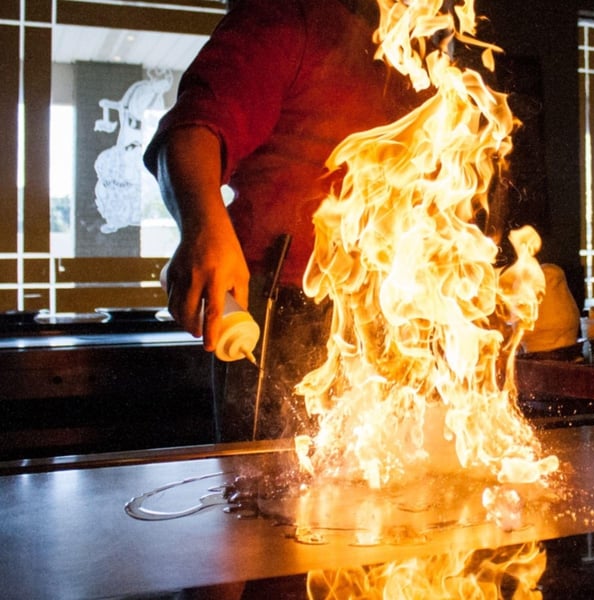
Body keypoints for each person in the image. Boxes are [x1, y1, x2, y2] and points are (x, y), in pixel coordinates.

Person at [145, 0, 421, 442]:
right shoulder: (285, 17)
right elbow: (192, 130)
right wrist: (202, 225)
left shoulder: (412, 52)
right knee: (273, 496)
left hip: (395, 311)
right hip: (287, 313)